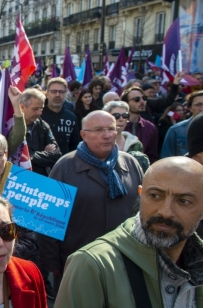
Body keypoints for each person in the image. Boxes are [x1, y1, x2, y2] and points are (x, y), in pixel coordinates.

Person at [49, 157, 203, 308]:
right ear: (140, 195)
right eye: (155, 196)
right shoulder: (93, 265)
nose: (165, 211)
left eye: (184, 201)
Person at [39, 111, 144, 295]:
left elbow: (142, 210)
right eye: (99, 130)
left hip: (125, 261)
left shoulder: (130, 163)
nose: (107, 134)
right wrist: (53, 263)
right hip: (78, 263)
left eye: (111, 129)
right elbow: (48, 220)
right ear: (83, 134)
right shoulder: (65, 166)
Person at [20, 88, 61, 176]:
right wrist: (44, 155)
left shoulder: (43, 126)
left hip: (41, 179)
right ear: (22, 107)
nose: (40, 113)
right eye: (35, 109)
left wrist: (29, 156)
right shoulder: (12, 127)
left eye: (41, 108)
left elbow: (56, 155)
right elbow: (15, 157)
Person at [102, 101, 150, 171]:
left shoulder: (135, 144)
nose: (121, 119)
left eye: (125, 115)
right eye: (116, 116)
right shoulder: (98, 142)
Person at [41, 77, 81, 155]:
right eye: (53, 91)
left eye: (61, 92)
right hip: (41, 164)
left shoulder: (71, 117)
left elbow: (74, 145)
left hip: (65, 163)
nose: (57, 95)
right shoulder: (38, 115)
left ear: (66, 93)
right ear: (47, 93)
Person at [122, 86, 159, 162]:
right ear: (126, 103)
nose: (142, 102)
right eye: (137, 99)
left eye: (144, 98)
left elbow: (152, 156)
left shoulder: (150, 127)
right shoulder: (117, 125)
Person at [161, 91, 203, 158]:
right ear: (190, 108)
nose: (201, 109)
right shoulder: (175, 130)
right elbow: (166, 159)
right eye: (198, 105)